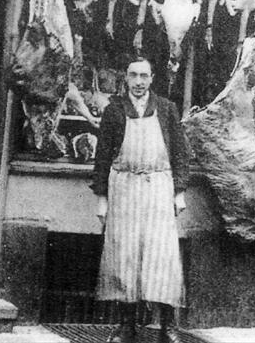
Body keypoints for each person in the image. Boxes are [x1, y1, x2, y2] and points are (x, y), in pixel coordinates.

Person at [91, 56, 189, 343]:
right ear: (126, 78)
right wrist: (102, 199)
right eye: (133, 75)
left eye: (144, 76)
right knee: (125, 257)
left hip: (159, 185)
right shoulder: (114, 111)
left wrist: (179, 193)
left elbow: (181, 154)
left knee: (162, 256)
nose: (138, 82)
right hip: (123, 186)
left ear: (152, 78)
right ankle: (127, 326)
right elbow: (102, 158)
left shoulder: (167, 109)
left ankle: (167, 326)